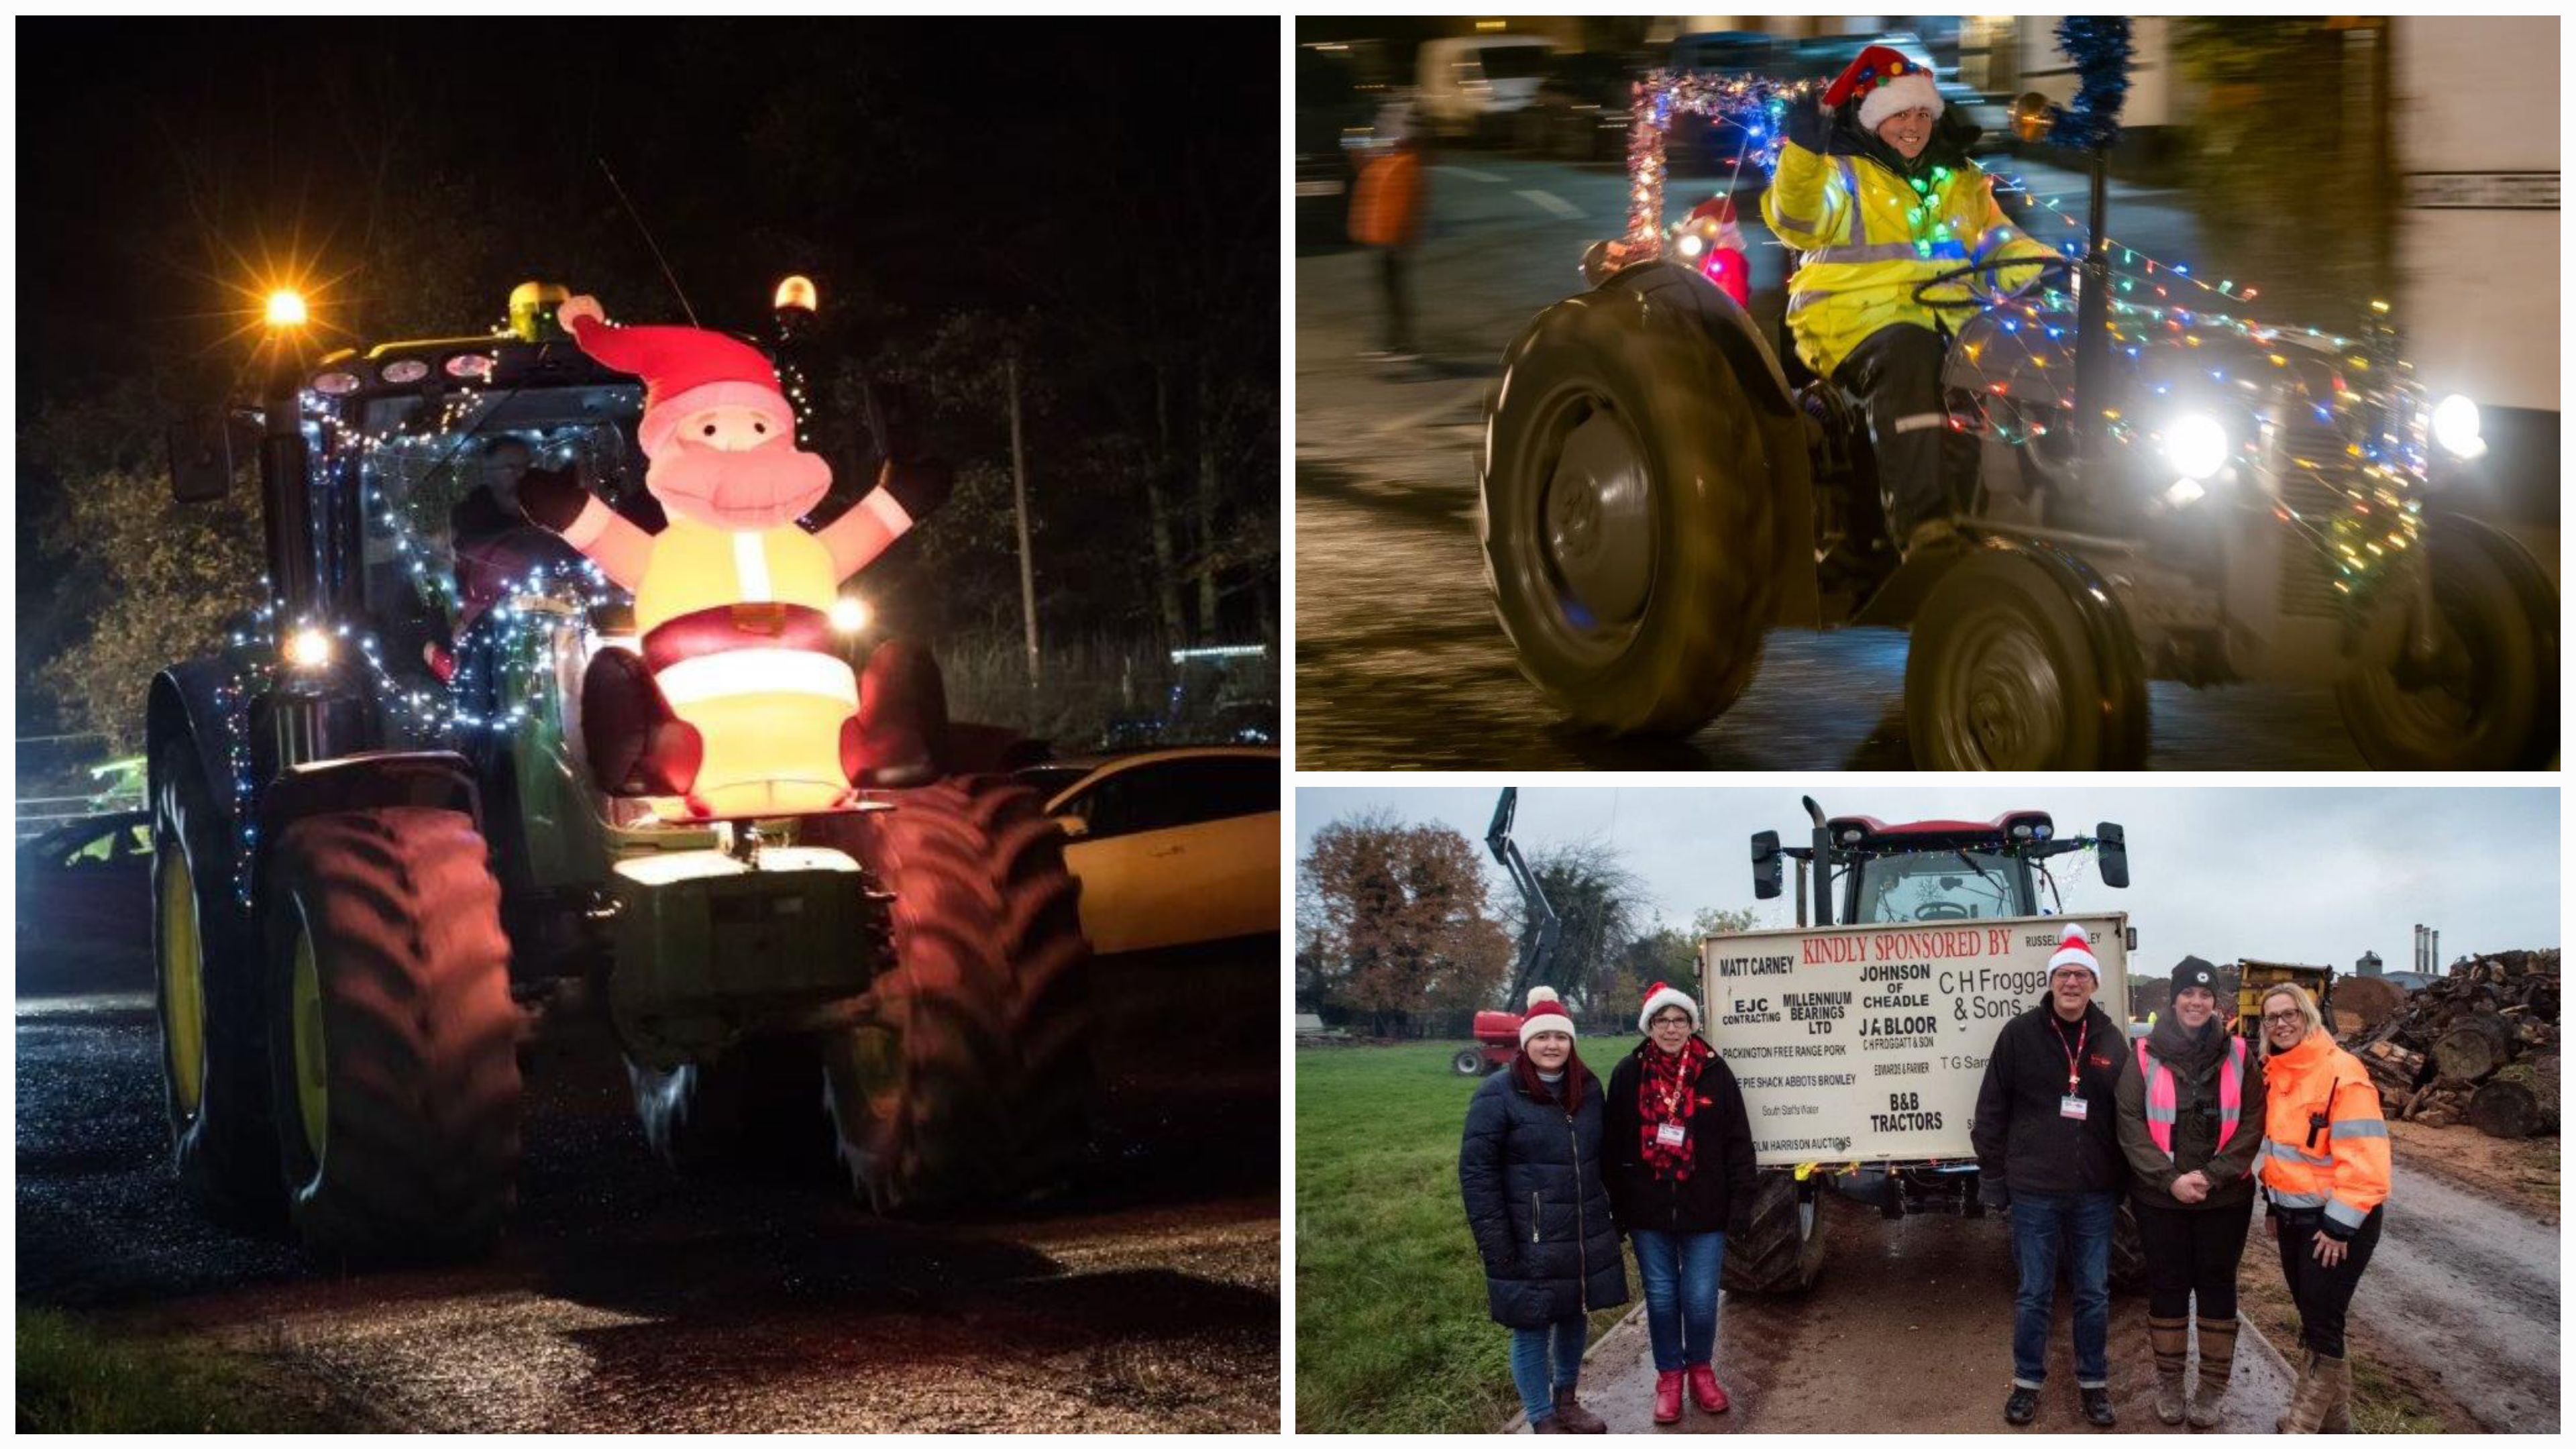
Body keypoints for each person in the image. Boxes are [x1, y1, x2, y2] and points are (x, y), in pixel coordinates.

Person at [1761, 43, 2060, 560]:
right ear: (1876, 118)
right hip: (1853, 317)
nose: (1914, 124)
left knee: (2030, 354)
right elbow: (1798, 222)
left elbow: (1997, 239)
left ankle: (2030, 514)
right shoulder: (1842, 173)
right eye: (1901, 112)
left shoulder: (1959, 179)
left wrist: (2044, 265)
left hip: (1950, 319)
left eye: (1923, 112)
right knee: (1911, 355)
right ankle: (1923, 528)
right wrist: (1803, 157)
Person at [1970, 921, 2127, 1426]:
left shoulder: (2110, 1040)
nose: (2072, 984)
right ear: (2051, 980)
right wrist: (1993, 1178)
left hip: (2094, 1194)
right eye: (2064, 974)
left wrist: (2129, 1180)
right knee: (2035, 1291)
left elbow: (2130, 1116)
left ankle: (2093, 1384)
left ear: (2094, 984)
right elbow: (1991, 1110)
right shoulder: (2019, 1035)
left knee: (2093, 1293)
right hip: (2034, 1191)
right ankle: (2027, 1382)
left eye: (2082, 975)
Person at [1460, 987, 1627, 1434]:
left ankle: (1567, 1399)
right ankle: (1540, 1416)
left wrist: (1616, 1218)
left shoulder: (1588, 1090)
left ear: (1571, 1042)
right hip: (1527, 1234)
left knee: (1574, 1312)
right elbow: (1477, 1174)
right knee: (1532, 1326)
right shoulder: (1498, 1094)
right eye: (1542, 1037)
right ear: (1525, 1042)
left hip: (1580, 1230)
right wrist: (1495, 1243)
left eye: (1561, 1036)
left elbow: (1606, 1158)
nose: (1552, 1045)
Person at [2114, 957, 2265, 1427]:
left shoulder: (2241, 1054)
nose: (2196, 1002)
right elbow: (2130, 1122)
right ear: (2174, 999)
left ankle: (2212, 1389)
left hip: (2226, 1199)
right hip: (2161, 1199)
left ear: (2215, 1003)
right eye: (2188, 994)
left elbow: (2253, 1122)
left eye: (2205, 995)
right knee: (2168, 1286)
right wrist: (2170, 1179)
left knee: (2218, 1287)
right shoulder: (2141, 1056)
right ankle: (2170, 1383)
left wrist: (2215, 1175)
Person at [1603, 981, 1756, 1424]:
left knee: (1702, 1299)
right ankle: (1669, 1376)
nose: (1671, 1029)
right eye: (1662, 1021)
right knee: (1664, 1299)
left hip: (1705, 1208)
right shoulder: (1628, 1074)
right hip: (1649, 1211)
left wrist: (1742, 1203)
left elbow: (1737, 1141)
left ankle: (1701, 1371)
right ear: (1649, 1026)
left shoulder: (1715, 1072)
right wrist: (1618, 1208)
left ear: (1692, 1025)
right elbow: (1613, 1147)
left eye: (1679, 1020)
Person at [2255, 982, 2390, 1434]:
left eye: (2290, 1013)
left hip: (2334, 1225)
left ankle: (2303, 1425)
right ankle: (2340, 1425)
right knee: (2316, 1318)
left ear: (2308, 1015)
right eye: (2272, 1017)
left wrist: (2338, 1228)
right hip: (2294, 1219)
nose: (2281, 1023)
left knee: (2322, 1322)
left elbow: (2366, 1162)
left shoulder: (2342, 1073)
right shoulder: (2276, 1072)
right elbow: (2281, 1152)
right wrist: (2273, 1205)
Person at [1348, 91, 1426, 364]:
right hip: (1386, 240)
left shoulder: (1404, 164)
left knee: (1395, 294)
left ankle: (1402, 345)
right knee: (1391, 293)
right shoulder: (1391, 161)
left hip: (1393, 242)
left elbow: (1403, 206)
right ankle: (1396, 343)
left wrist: (1397, 238)